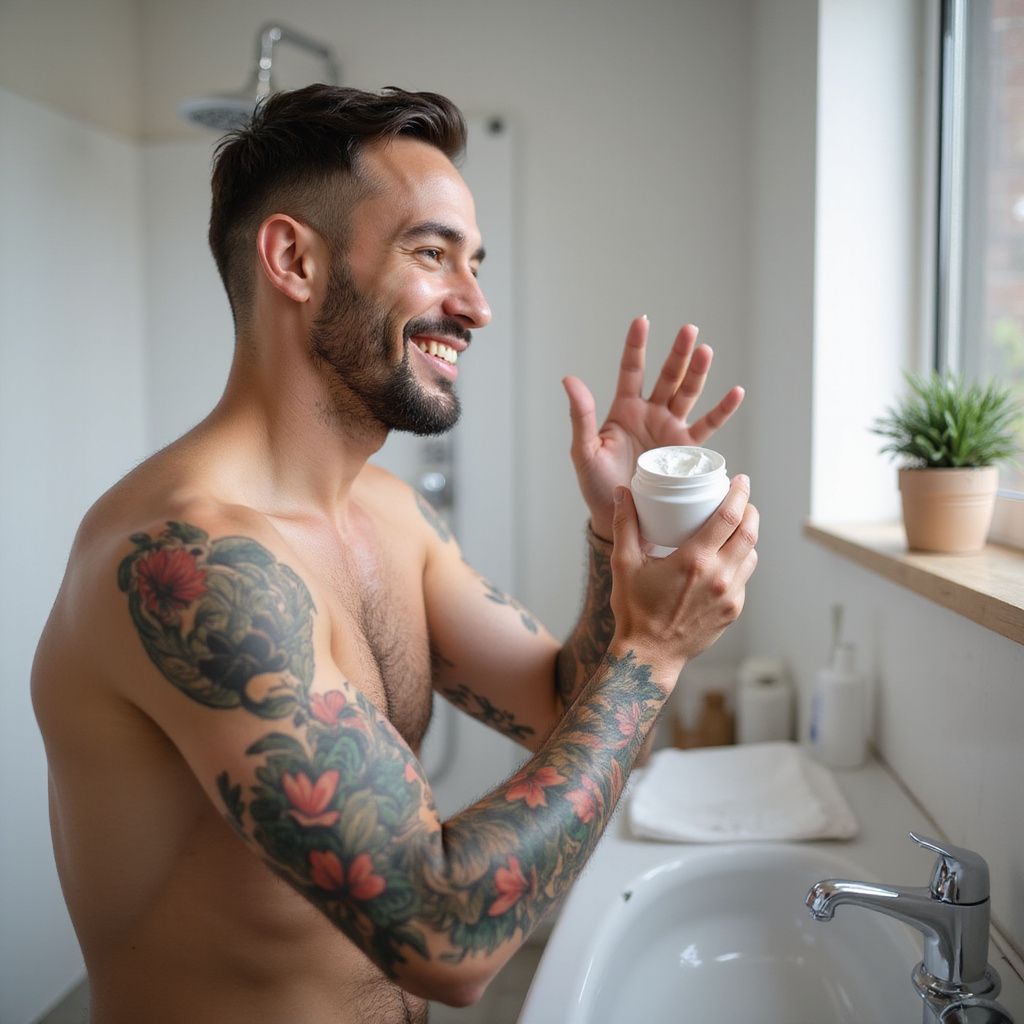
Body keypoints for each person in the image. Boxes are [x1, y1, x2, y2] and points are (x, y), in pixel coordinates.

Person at [31, 84, 757, 1024]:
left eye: (476, 263)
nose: (478, 307)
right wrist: (654, 650)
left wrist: (626, 531)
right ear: (293, 258)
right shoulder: (190, 561)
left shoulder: (390, 516)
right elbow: (445, 942)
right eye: (432, 253)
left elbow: (568, 714)